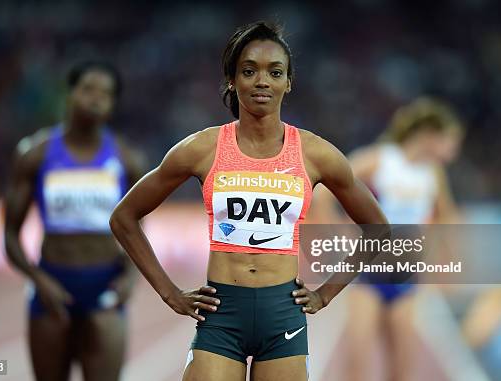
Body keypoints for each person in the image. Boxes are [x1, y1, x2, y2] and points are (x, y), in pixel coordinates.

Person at [109, 21, 387, 381]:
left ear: (288, 83)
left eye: (275, 72)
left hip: (282, 316)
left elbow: (378, 228)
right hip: (221, 315)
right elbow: (124, 217)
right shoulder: (202, 148)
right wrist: (169, 293)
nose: (262, 81)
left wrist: (326, 294)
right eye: (249, 71)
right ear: (231, 79)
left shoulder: (316, 154)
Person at [3, 61, 146, 381]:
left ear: (113, 104)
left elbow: (139, 229)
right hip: (53, 283)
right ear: (70, 94)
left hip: (104, 287)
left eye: (105, 94)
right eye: (88, 90)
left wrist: (130, 278)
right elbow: (10, 235)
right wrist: (38, 279)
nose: (95, 99)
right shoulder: (35, 155)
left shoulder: (127, 159)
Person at [308, 97, 465, 380]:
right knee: (359, 362)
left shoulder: (433, 174)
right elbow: (323, 192)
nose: (454, 152)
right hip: (368, 272)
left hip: (405, 274)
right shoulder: (379, 160)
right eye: (450, 141)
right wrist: (338, 235)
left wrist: (444, 257)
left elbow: (447, 217)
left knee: (403, 364)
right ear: (430, 135)